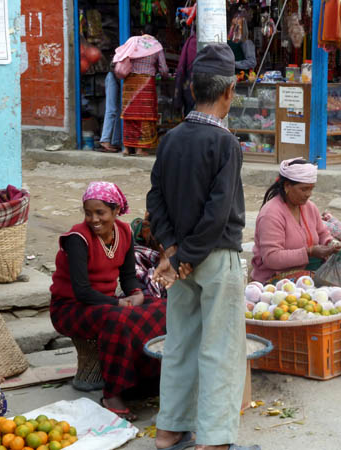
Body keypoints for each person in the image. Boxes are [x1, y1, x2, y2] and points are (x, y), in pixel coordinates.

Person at [147, 43, 259, 450]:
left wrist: (174, 250)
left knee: (180, 344)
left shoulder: (172, 139)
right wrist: (188, 256)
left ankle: (169, 430)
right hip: (213, 259)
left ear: (194, 89)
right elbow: (217, 213)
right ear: (229, 92)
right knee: (221, 351)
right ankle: (212, 441)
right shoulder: (226, 144)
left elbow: (155, 199)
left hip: (182, 260)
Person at [49, 181, 167, 421]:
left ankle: (147, 383)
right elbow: (82, 291)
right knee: (117, 319)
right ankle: (113, 394)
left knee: (161, 307)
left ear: (115, 211)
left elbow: (128, 277)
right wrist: (118, 304)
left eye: (100, 212)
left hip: (104, 302)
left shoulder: (124, 232)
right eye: (88, 213)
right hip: (70, 307)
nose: (94, 219)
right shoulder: (77, 238)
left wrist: (136, 293)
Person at [251, 158, 341, 284]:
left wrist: (331, 244)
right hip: (275, 280)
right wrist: (309, 252)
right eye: (304, 189)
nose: (308, 194)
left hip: (305, 274)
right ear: (287, 186)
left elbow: (322, 233)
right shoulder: (271, 214)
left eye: (311, 189)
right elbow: (271, 258)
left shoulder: (309, 207)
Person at [113, 24, 169, 156]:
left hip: (130, 83)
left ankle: (126, 148)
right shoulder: (157, 45)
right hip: (146, 84)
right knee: (144, 117)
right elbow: (164, 69)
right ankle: (140, 149)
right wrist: (166, 76)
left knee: (129, 115)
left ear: (142, 32)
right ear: (156, 33)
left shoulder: (133, 41)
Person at [98, 63, 123, 153]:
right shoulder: (122, 51)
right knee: (111, 110)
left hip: (120, 78)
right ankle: (105, 140)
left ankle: (116, 142)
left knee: (120, 111)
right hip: (113, 76)